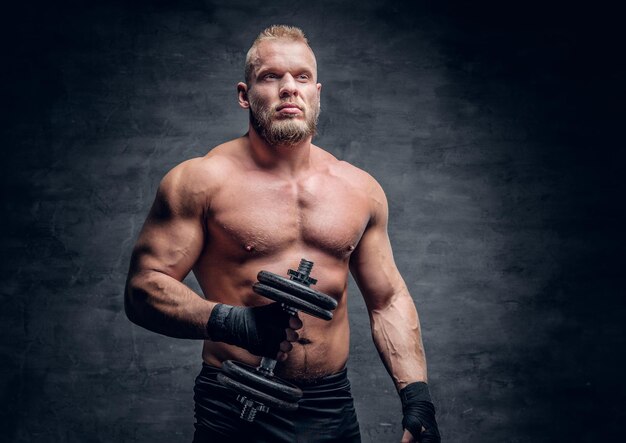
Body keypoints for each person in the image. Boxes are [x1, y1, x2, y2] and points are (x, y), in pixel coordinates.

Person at [124, 25, 440, 443]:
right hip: (235, 404)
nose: (289, 88)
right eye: (271, 76)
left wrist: (416, 397)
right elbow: (143, 290)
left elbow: (388, 300)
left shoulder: (360, 189)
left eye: (302, 77)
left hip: (330, 406)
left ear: (317, 93)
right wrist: (235, 322)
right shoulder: (199, 182)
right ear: (244, 94)